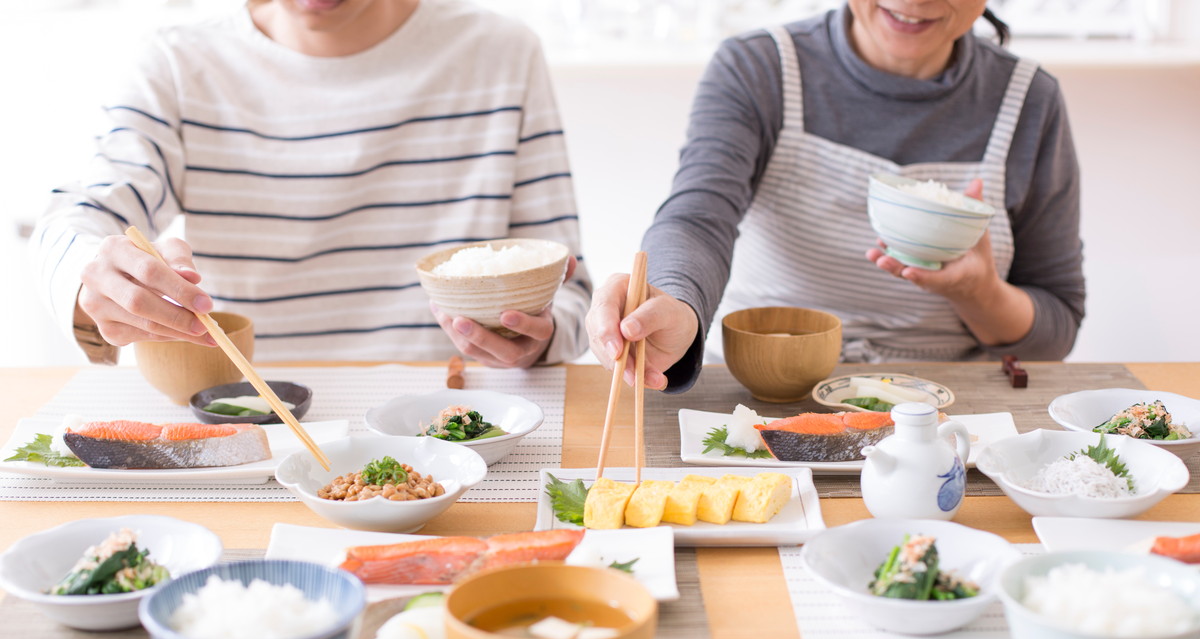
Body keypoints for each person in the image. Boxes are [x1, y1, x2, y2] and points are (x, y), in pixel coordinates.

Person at [32, 0, 591, 368]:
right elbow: (80, 218)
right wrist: (94, 282)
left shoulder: (501, 53)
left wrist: (537, 338)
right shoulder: (177, 63)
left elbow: (567, 289)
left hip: (456, 425)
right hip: (253, 421)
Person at [586, 1, 1085, 392]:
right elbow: (698, 218)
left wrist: (979, 293)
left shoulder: (1029, 100)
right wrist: (672, 302)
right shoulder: (760, 67)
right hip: (762, 390)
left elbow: (1055, 332)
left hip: (942, 408)